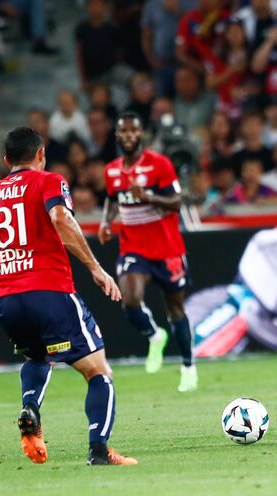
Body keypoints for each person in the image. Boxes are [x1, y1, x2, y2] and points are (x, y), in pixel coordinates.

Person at [0, 127, 135, 465]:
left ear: (6, 160)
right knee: (98, 371)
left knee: (37, 357)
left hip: (4, 300)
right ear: (41, 154)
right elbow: (60, 217)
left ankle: (30, 408)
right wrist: (95, 268)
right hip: (49, 292)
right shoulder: (48, 181)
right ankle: (99, 450)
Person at [99, 112, 197, 392]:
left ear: (141, 134)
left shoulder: (160, 165)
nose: (128, 136)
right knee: (129, 299)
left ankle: (188, 366)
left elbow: (179, 201)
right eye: (123, 131)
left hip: (168, 248)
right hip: (133, 246)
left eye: (133, 131)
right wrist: (107, 222)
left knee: (175, 308)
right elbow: (111, 199)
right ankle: (154, 335)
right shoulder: (112, 171)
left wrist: (149, 197)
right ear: (117, 136)